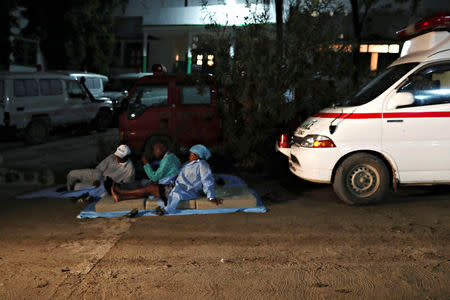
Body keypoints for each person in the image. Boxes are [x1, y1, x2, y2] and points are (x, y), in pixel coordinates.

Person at [111, 144, 222, 214]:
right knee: (150, 189)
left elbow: (207, 180)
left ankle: (121, 193)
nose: (190, 156)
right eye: (190, 154)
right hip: (175, 187)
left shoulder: (202, 165)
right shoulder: (189, 163)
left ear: (198, 156)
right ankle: (121, 196)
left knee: (150, 188)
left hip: (182, 191)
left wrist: (211, 197)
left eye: (193, 155)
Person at [66, 144, 135, 191]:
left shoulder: (130, 170)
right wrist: (97, 179)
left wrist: (108, 186)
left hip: (105, 185)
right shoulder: (112, 157)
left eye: (120, 156)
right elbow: (99, 168)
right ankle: (68, 189)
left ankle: (73, 194)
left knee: (77, 187)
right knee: (71, 174)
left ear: (127, 156)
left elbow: (125, 186)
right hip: (97, 174)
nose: (117, 157)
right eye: (117, 155)